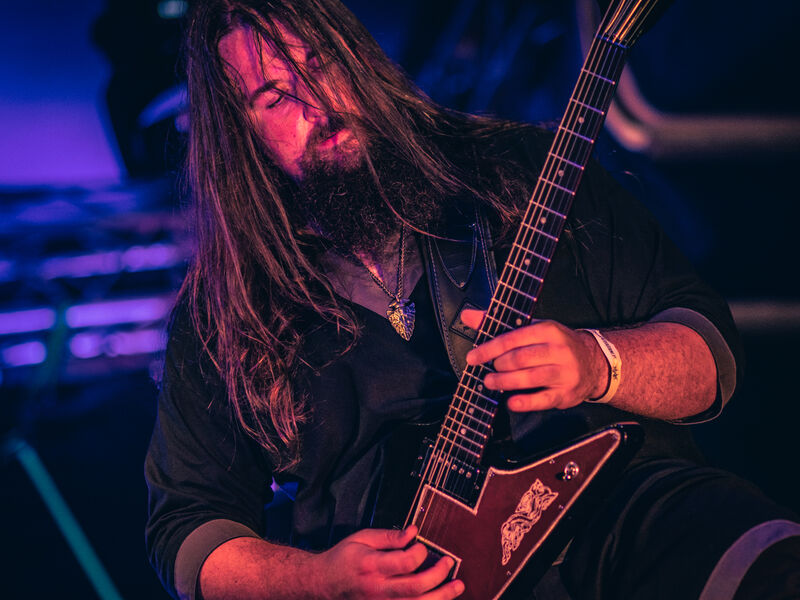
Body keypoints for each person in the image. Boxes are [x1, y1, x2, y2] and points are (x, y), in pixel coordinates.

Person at [145, 1, 800, 599]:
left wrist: (598, 362)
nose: (317, 104)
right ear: (243, 135)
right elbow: (188, 530)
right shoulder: (226, 311)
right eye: (275, 97)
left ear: (356, 53)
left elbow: (711, 361)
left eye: (319, 65)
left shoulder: (528, 170)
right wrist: (318, 580)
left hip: (629, 532)